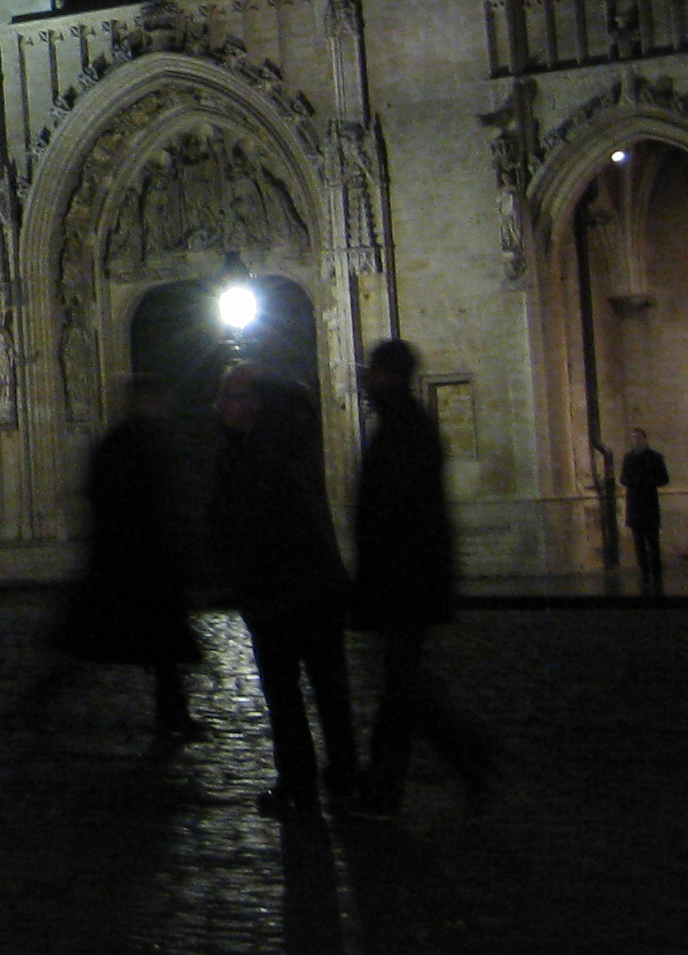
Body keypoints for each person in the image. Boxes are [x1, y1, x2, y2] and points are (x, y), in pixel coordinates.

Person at [345, 340, 494, 814]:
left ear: (390, 375)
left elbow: (401, 512)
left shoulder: (406, 428)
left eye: (373, 370)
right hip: (405, 579)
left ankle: (386, 786)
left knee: (400, 689)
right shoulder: (401, 423)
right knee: (404, 687)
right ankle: (466, 757)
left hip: (405, 579)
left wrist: (380, 574)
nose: (365, 378)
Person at [207, 362, 357, 817]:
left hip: (279, 593)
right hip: (310, 588)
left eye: (230, 397)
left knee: (287, 695)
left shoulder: (257, 454)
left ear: (254, 402)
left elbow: (251, 523)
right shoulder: (291, 443)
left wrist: (239, 572)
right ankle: (341, 779)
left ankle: (300, 783)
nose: (221, 407)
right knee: (329, 690)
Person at [41, 374, 203, 747]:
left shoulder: (141, 439)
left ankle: (173, 713)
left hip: (140, 563)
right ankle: (46, 693)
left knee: (159, 648)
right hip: (130, 563)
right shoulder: (125, 442)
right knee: (95, 643)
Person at [619, 427, 670, 595]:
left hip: (649, 502)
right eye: (633, 437)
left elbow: (664, 478)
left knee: (652, 541)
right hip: (635, 503)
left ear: (644, 438)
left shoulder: (655, 457)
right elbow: (623, 478)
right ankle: (644, 573)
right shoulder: (628, 457)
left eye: (638, 437)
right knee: (639, 542)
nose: (636, 440)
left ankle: (656, 574)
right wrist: (631, 481)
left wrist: (647, 481)